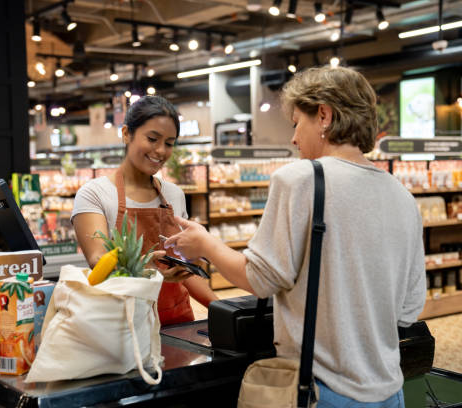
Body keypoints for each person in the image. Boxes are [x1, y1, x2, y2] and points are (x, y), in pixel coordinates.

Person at [164, 66, 426, 407]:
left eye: (296, 123)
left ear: (324, 115)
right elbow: (409, 309)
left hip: (320, 391)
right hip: (391, 391)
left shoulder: (301, 180)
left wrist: (206, 245)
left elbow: (260, 278)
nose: (293, 138)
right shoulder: (402, 196)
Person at [72, 95, 218, 325]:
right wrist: (149, 272)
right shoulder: (94, 194)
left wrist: (222, 308)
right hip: (122, 325)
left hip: (176, 324)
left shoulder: (174, 195)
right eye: (152, 139)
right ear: (126, 133)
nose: (161, 150)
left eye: (169, 143)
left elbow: (184, 272)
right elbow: (97, 260)